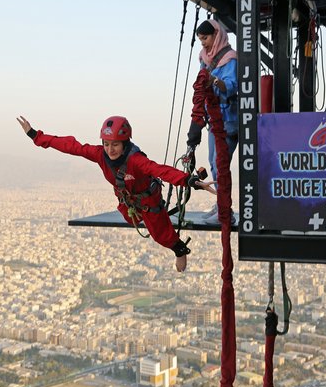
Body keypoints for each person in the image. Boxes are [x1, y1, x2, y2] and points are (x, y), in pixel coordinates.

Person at [17, 115, 216, 272]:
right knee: (131, 218)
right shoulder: (99, 154)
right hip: (127, 201)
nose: (110, 149)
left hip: (147, 198)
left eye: (115, 144)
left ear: (125, 143)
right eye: (106, 144)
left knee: (160, 234)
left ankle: (179, 249)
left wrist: (189, 181)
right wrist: (36, 136)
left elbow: (159, 170)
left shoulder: (135, 160)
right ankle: (147, 221)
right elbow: (71, 146)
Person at [186, 19, 238, 224]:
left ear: (216, 35)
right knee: (214, 163)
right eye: (200, 39)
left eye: (206, 38)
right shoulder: (204, 58)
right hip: (213, 119)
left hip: (229, 119)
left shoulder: (230, 59)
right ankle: (221, 205)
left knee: (220, 163)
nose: (204, 43)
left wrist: (215, 81)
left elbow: (233, 87)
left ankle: (227, 211)